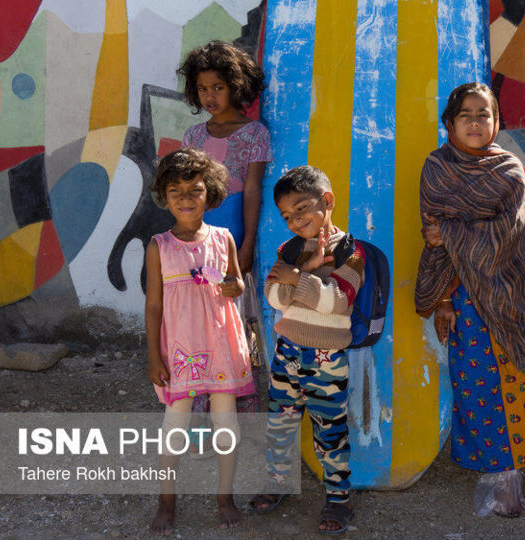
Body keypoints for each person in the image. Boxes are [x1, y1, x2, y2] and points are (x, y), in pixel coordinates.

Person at [414, 82, 525, 517]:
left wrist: (450, 233)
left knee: (519, 380)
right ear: (448, 124)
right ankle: (499, 475)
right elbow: (433, 240)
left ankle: (523, 471)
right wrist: (445, 301)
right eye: (466, 115)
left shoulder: (508, 169)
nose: (475, 122)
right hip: (465, 301)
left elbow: (507, 236)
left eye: (484, 114)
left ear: (496, 121)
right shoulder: (436, 168)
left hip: (510, 295)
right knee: (476, 386)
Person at [144, 148, 254, 535]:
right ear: (164, 195)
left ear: (211, 193)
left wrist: (232, 284)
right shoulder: (159, 246)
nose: (186, 198)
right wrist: (153, 355)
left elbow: (238, 283)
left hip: (220, 342)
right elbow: (154, 305)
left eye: (195, 190)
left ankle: (225, 496)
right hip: (179, 349)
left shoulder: (223, 240)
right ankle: (166, 501)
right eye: (176, 190)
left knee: (226, 420)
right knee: (175, 421)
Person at [254, 165, 364, 535]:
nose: (294, 220)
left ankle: (338, 498)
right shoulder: (289, 249)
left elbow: (337, 303)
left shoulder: (351, 251)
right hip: (287, 353)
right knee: (279, 423)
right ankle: (278, 482)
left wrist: (298, 278)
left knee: (329, 431)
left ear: (327, 201)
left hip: (327, 361)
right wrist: (303, 274)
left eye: (301, 209)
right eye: (287, 215)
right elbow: (274, 296)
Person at [178, 40, 271, 415]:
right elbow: (186, 194)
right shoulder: (194, 137)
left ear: (235, 85)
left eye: (218, 87)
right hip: (198, 240)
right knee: (201, 319)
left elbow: (251, 191)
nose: (210, 96)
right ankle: (203, 399)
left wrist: (246, 243)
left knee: (238, 319)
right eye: (202, 89)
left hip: (233, 236)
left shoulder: (254, 134)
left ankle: (239, 399)